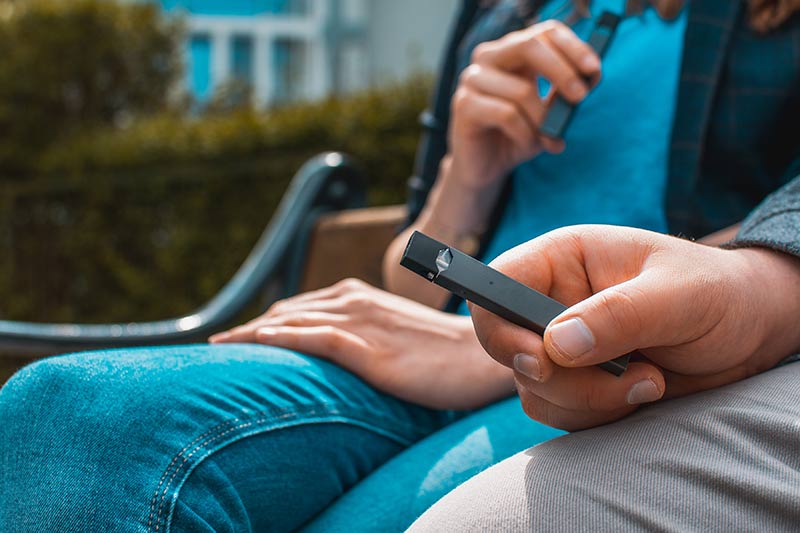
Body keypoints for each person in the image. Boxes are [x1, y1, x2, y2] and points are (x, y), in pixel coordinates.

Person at [1, 0, 798, 531]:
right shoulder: (505, 9)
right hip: (427, 346)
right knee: (67, 414)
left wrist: (496, 343)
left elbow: (770, 252)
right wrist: (468, 170)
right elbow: (411, 267)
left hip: (605, 371)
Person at [409, 184, 800, 529]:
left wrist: (761, 280)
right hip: (434, 337)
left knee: (483, 520)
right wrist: (467, 173)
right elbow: (408, 277)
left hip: (535, 355)